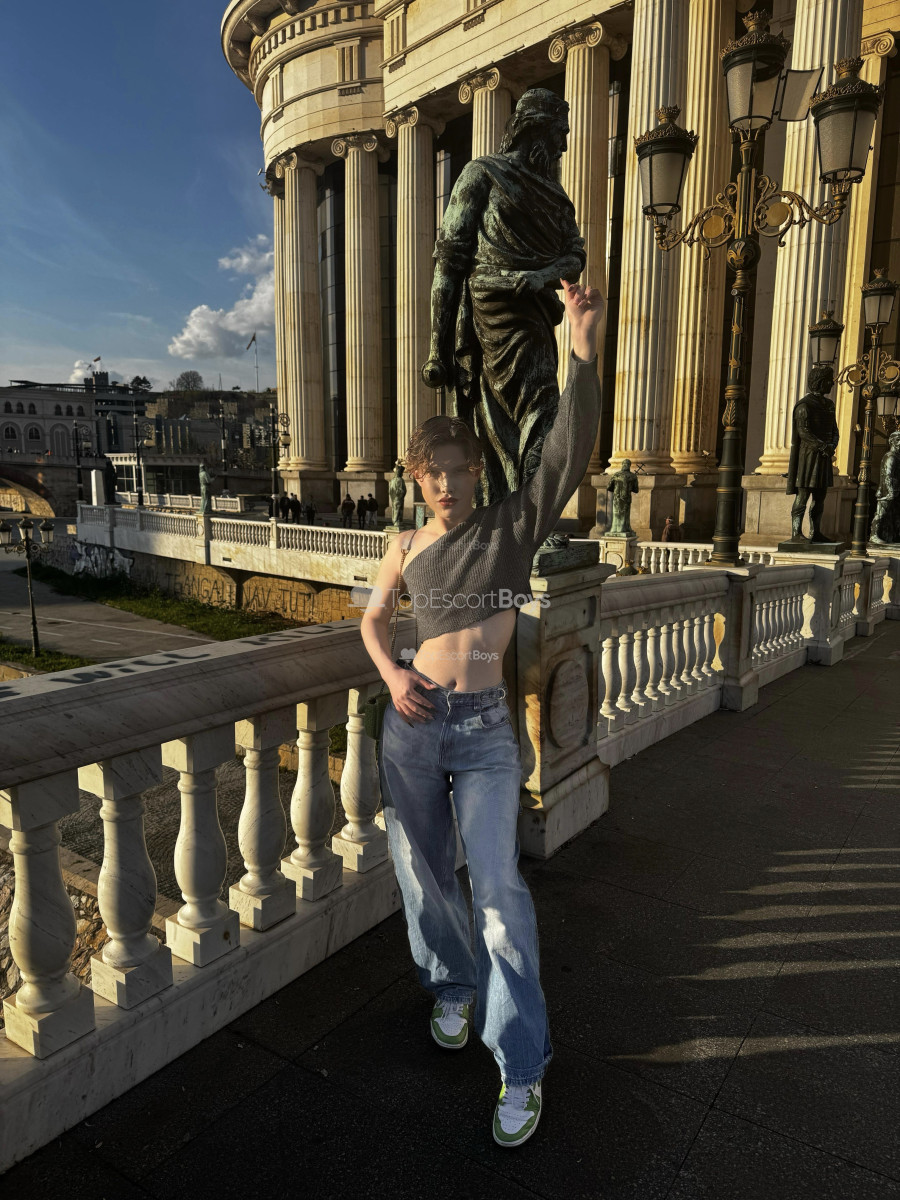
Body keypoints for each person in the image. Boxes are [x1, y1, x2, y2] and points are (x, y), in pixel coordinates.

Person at [361, 279, 603, 1149]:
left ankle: (522, 1063)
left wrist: (580, 351)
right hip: (414, 725)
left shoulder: (508, 527)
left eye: (458, 471)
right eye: (434, 475)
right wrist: (390, 674)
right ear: (419, 482)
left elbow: (564, 457)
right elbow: (371, 619)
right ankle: (454, 989)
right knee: (424, 873)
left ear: (474, 473)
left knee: (498, 887)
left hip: (486, 731)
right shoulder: (403, 546)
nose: (448, 486)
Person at [785, 365, 840, 543]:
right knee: (803, 495)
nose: (832, 383)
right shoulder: (804, 406)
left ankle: (815, 532)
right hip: (808, 458)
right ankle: (796, 533)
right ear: (821, 382)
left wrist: (832, 445)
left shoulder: (829, 405)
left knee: (820, 497)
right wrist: (823, 446)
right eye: (829, 381)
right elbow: (804, 432)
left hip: (823, 457)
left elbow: (834, 430)